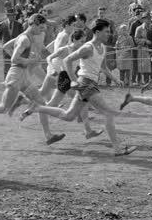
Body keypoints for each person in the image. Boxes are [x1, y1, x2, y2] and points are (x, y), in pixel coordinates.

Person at [20, 19, 137, 156]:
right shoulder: (88, 47)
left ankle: (37, 107)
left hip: (91, 83)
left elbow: (103, 67)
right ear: (97, 32)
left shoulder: (103, 48)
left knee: (69, 115)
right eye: (106, 31)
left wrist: (116, 79)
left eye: (109, 31)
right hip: (86, 83)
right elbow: (67, 60)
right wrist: (74, 81)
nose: (109, 34)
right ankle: (118, 149)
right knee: (109, 113)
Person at [0, 14, 66, 146]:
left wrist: (28, 60)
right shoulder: (24, 39)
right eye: (41, 27)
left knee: (40, 102)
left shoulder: (27, 37)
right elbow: (13, 59)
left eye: (44, 28)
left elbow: (9, 48)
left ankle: (48, 135)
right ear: (33, 24)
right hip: (15, 76)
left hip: (23, 76)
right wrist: (30, 60)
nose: (43, 30)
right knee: (3, 108)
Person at [0, 9, 24, 78]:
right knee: (6, 64)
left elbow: (21, 36)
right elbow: (0, 36)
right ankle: (6, 80)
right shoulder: (1, 25)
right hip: (6, 49)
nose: (12, 17)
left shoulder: (19, 25)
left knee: (16, 65)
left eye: (13, 15)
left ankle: (15, 80)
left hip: (16, 48)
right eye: (10, 15)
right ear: (7, 16)